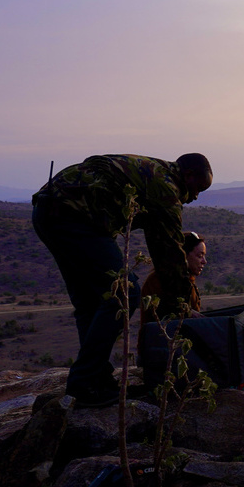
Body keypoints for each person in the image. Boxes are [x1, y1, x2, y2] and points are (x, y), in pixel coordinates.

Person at [32, 153, 213, 407]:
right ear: (188, 176)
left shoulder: (151, 171)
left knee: (91, 302)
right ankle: (85, 383)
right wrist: (184, 306)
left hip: (47, 212)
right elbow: (170, 253)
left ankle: (96, 381)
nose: (194, 197)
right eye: (197, 189)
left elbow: (160, 245)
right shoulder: (166, 186)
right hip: (76, 217)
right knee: (125, 292)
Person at [135, 231, 207, 351]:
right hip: (160, 352)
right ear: (184, 256)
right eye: (199, 256)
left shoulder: (186, 281)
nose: (204, 261)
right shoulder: (162, 281)